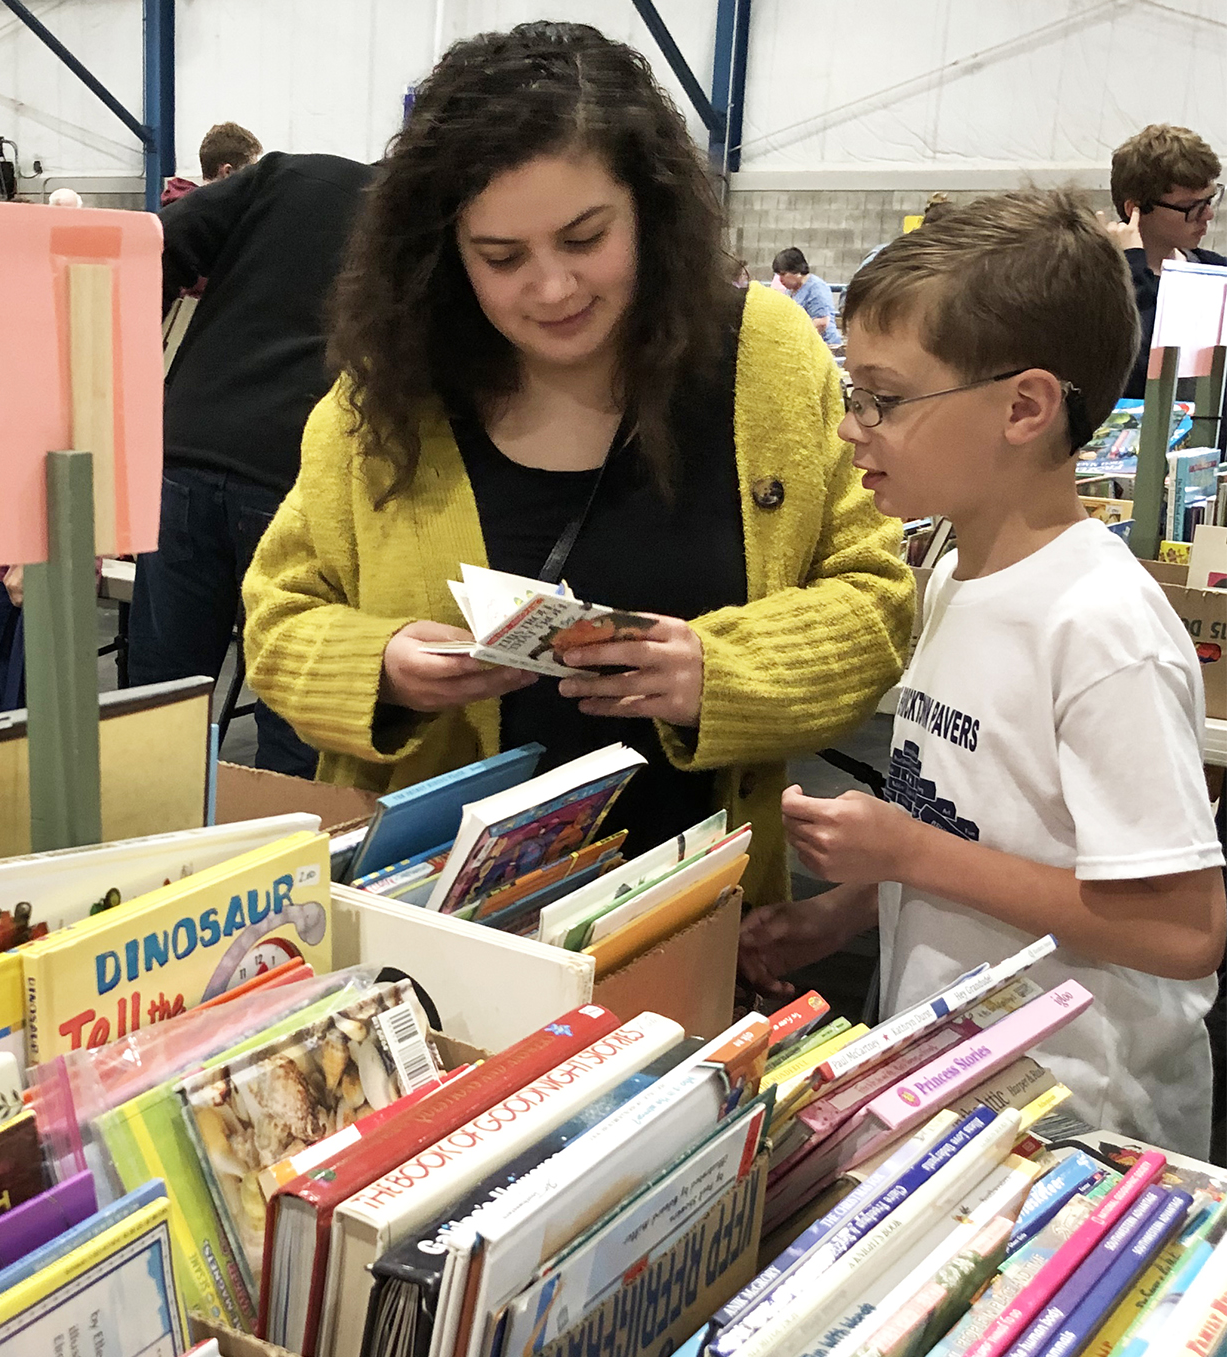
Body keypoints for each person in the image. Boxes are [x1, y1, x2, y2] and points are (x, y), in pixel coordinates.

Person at [240, 22, 913, 905]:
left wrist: (718, 673)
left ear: (649, 210)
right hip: (442, 928)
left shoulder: (767, 359)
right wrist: (384, 664)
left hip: (702, 915)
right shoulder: (384, 404)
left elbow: (874, 599)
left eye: (586, 238)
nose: (552, 289)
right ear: (445, 255)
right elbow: (278, 621)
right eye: (502, 257)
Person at [739, 188, 1227, 1154]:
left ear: (1024, 405)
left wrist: (907, 856)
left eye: (883, 397)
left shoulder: (1100, 626)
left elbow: (1182, 930)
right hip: (958, 1086)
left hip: (1082, 1124)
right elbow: (973, 823)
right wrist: (840, 912)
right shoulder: (957, 570)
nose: (851, 427)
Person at [129, 148, 374, 776]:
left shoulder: (290, 174)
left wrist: (134, 366)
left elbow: (154, 244)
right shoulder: (437, 224)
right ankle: (276, 853)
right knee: (291, 689)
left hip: (190, 442)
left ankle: (143, 846)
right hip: (300, 469)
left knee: (161, 692)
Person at [1106, 124, 1222, 399]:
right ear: (1135, 209)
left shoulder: (1216, 272)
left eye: (1210, 200)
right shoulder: (1100, 285)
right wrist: (1132, 267)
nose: (1207, 215)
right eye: (1190, 207)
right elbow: (1137, 372)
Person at [160, 121, 263, 206]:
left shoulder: (179, 208)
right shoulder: (212, 219)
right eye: (249, 173)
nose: (253, 182)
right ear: (227, 172)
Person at [771, 247, 841, 346]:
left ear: (796, 270)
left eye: (783, 274)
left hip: (824, 346)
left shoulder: (816, 288)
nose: (780, 280)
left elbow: (821, 322)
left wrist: (795, 339)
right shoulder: (790, 291)